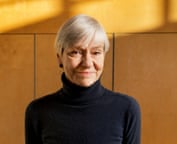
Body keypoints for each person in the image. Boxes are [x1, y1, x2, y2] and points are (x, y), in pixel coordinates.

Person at [25, 14, 141, 144]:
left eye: (96, 52)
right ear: (59, 58)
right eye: (76, 52)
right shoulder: (38, 112)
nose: (87, 63)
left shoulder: (127, 109)